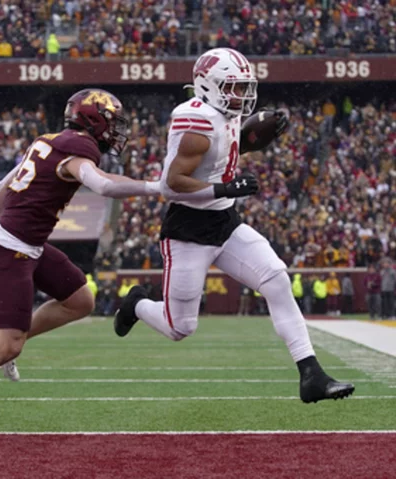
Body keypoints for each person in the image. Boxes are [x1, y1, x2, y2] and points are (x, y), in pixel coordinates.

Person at [113, 48, 354, 404]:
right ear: (207, 86)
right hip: (188, 230)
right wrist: (224, 187)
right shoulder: (195, 120)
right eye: (233, 87)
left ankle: (311, 375)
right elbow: (171, 184)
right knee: (181, 328)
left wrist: (250, 144)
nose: (242, 96)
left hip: (225, 221)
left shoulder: (223, 114)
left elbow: (221, 154)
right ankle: (136, 304)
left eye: (244, 87)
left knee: (276, 279)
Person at [0, 88, 161, 438]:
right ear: (93, 120)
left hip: (24, 243)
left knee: (81, 300)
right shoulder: (81, 147)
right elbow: (103, 186)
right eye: (111, 122)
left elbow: (3, 184)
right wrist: (155, 187)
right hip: (11, 249)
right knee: (8, 346)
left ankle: (3, 340)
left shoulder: (48, 140)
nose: (115, 131)